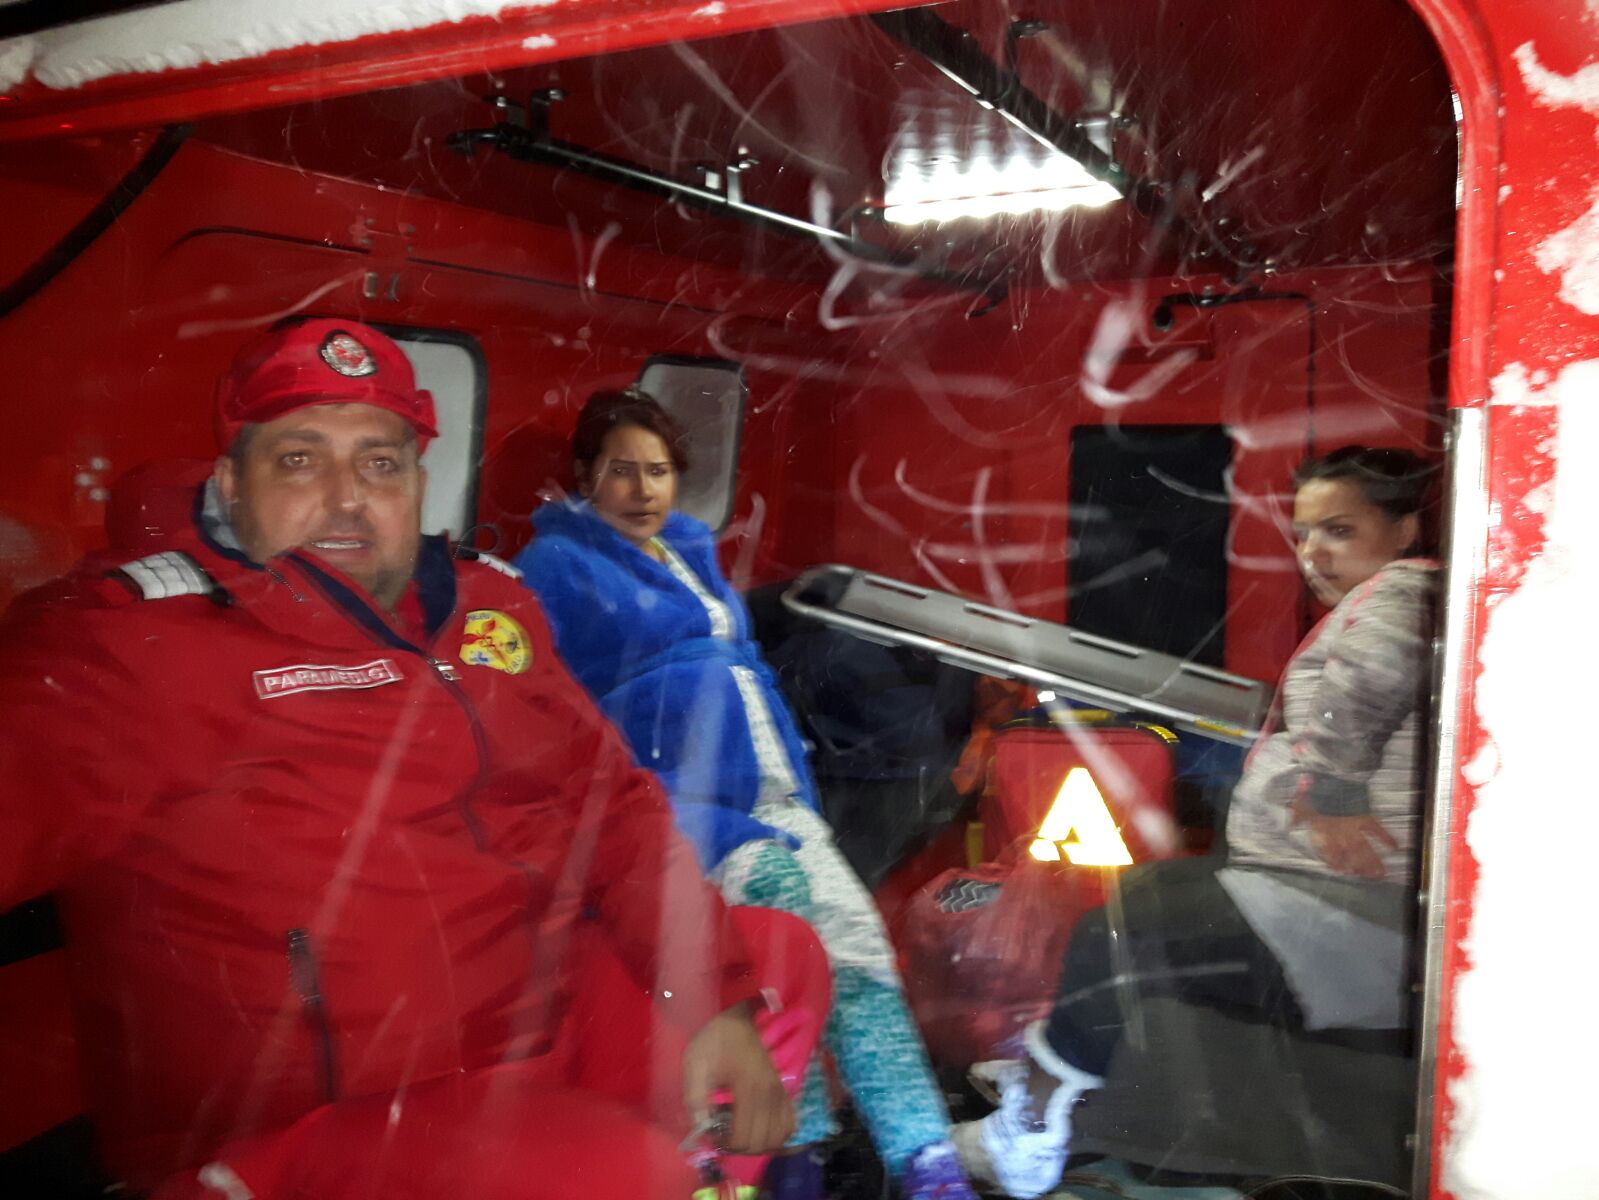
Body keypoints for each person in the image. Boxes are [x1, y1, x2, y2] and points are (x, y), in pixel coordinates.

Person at [0, 320, 796, 1200]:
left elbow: (612, 805)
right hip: (309, 1133)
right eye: (299, 460)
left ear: (418, 484)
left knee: (775, 956)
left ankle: (689, 1172)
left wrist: (714, 999)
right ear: (231, 484)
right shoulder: (134, 646)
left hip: (525, 1055)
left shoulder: (487, 605)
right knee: (609, 1171)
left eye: (380, 463)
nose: (347, 497)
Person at [516, 388, 978, 1200]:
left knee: (858, 947)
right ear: (585, 478)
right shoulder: (556, 564)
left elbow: (744, 661)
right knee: (783, 917)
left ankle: (928, 1163)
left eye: (657, 471)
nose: (641, 490)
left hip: (769, 785)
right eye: (620, 471)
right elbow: (543, 695)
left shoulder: (688, 549)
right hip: (668, 791)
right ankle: (788, 1155)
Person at [952, 446, 1439, 1198]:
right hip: (1310, 882)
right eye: (1303, 534)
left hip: (1346, 905)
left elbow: (1371, 675)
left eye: (1339, 531)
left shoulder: (1402, 592)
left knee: (1120, 930)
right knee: (1143, 901)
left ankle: (1031, 1135)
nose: (1312, 554)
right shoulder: (1390, 598)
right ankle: (1059, 1073)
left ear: (1403, 530)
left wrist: (1336, 792)